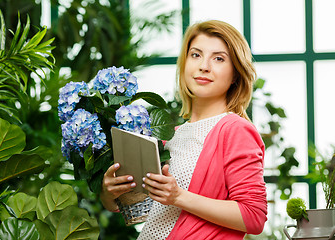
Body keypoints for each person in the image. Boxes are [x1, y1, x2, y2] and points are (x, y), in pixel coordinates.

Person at [100, 19, 267, 239]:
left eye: (218, 58)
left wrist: (178, 197)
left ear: (235, 73)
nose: (204, 66)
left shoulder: (235, 130)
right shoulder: (171, 135)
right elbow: (134, 206)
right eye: (196, 55)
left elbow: (253, 216)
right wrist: (110, 192)